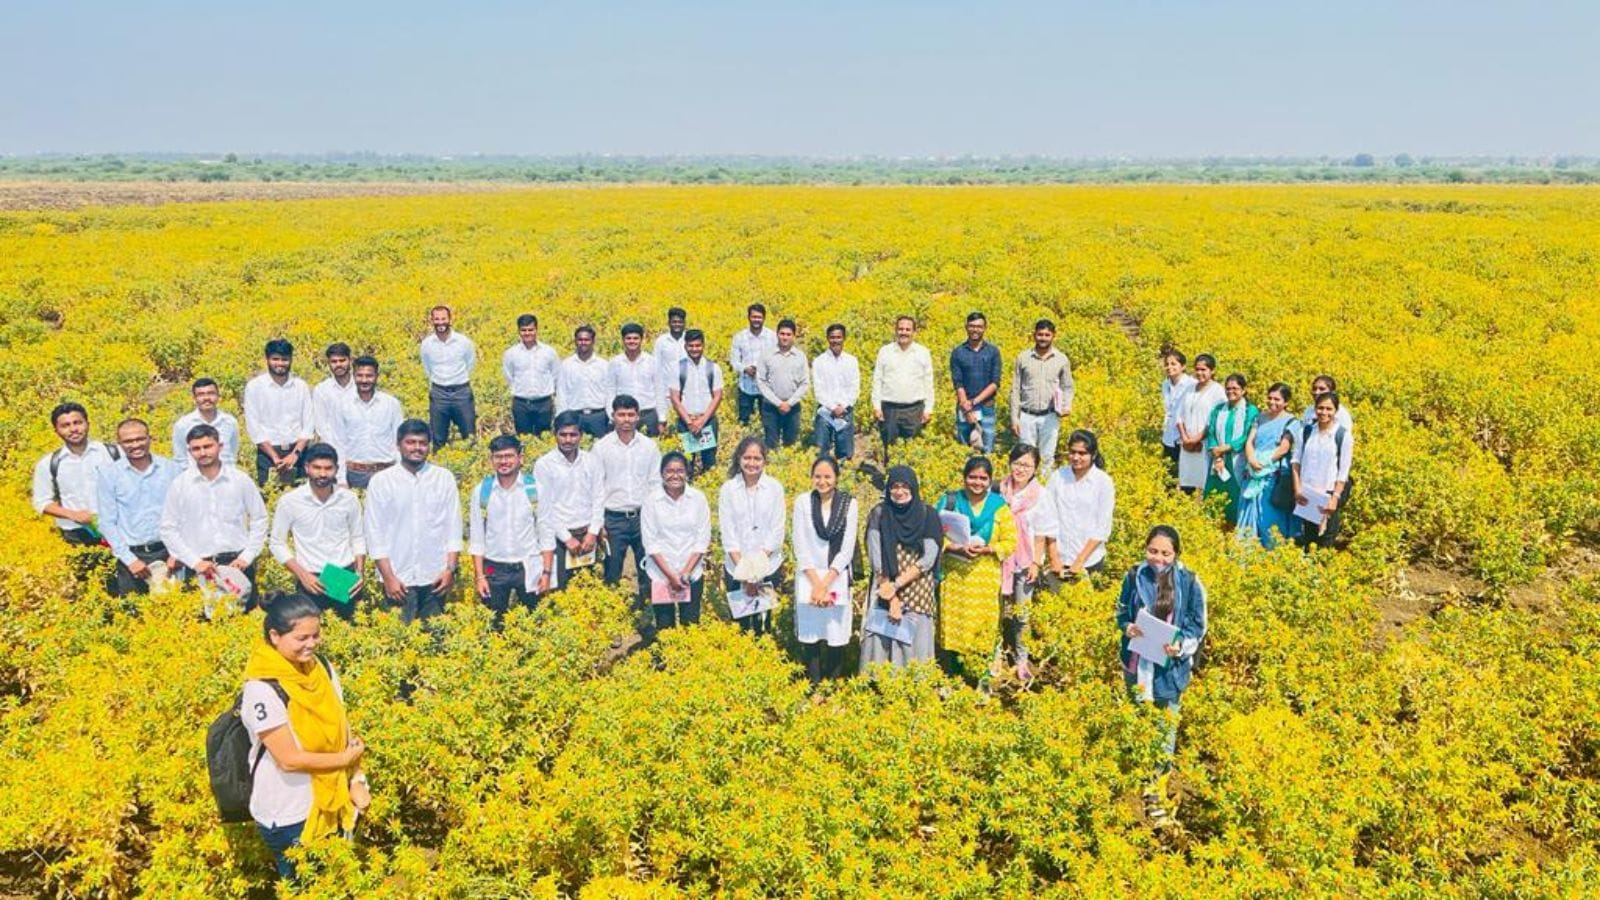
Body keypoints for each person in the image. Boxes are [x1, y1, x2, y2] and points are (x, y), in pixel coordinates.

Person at [240, 594, 368, 881]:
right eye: (301, 638)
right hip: (288, 813)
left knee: (333, 880)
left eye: (316, 635)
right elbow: (288, 760)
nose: (311, 644)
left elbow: (342, 728)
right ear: (275, 636)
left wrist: (356, 778)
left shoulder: (321, 667)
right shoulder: (262, 688)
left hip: (331, 801)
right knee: (303, 886)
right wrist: (345, 760)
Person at [1116, 525, 1207, 824]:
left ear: (1176, 553)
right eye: (1153, 551)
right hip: (1137, 665)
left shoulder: (1190, 582)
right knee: (1140, 721)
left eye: (1165, 553)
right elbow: (1121, 613)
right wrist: (1127, 628)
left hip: (1170, 670)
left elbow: (1198, 625)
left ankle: (1156, 786)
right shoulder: (1134, 575)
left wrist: (1180, 645)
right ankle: (1140, 775)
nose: (1158, 558)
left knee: (1166, 728)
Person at [159, 424, 269, 614]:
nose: (203, 452)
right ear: (189, 451)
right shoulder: (180, 485)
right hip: (199, 567)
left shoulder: (240, 480)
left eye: (208, 446)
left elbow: (260, 519)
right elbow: (168, 529)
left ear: (220, 446)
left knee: (243, 622)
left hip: (237, 565)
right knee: (202, 626)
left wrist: (247, 556)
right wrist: (194, 562)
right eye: (196, 448)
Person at [363, 420, 462, 624]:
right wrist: (388, 577)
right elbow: (374, 533)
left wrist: (450, 570)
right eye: (410, 442)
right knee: (398, 639)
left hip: (436, 577)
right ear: (398, 445)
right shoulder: (381, 481)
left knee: (434, 641)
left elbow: (453, 527)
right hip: (398, 579)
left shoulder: (444, 478)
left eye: (423, 443)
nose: (417, 448)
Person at [936, 456, 1016, 682]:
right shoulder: (949, 501)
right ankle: (954, 676)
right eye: (972, 477)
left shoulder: (999, 506)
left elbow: (1011, 542)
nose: (977, 482)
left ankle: (981, 679)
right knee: (954, 626)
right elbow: (932, 533)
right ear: (964, 478)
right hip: (955, 578)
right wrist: (955, 547)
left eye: (983, 478)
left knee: (983, 628)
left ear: (990, 480)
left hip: (984, 579)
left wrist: (989, 549)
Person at [270, 443, 366, 622]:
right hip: (310, 578)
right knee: (311, 635)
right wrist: (302, 574)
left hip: (343, 576)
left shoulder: (349, 499)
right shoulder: (290, 501)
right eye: (317, 468)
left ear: (337, 469)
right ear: (306, 468)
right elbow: (276, 543)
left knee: (347, 633)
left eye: (328, 468)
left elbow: (358, 537)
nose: (322, 474)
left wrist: (359, 572)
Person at [859, 466, 943, 670]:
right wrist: (891, 596)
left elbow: (929, 557)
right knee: (881, 641)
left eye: (905, 486)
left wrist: (897, 585)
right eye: (895, 486)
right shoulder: (879, 514)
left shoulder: (927, 514)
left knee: (914, 647)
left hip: (917, 588)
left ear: (913, 488)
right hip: (884, 586)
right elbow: (876, 558)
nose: (899, 491)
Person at [469, 435, 555, 627]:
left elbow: (546, 534)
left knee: (534, 622)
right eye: (498, 457)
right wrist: (480, 576)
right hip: (494, 567)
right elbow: (477, 537)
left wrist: (547, 573)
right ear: (491, 460)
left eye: (509, 456)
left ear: (520, 458)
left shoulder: (536, 489)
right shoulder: (481, 491)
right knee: (493, 623)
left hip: (528, 565)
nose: (504, 461)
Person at [792, 456, 859, 685]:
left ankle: (832, 685)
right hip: (808, 577)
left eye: (827, 476)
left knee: (835, 633)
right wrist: (815, 582)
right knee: (811, 634)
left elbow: (847, 548)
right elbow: (799, 544)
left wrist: (826, 582)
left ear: (837, 478)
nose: (822, 481)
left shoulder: (850, 504)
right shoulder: (802, 502)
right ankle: (813, 684)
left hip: (836, 578)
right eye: (817, 476)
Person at [97, 418, 181, 597]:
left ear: (150, 438)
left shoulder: (172, 469)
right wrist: (130, 560)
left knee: (179, 611)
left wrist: (178, 553)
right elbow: (107, 522)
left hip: (170, 553)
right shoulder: (109, 475)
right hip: (132, 558)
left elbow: (184, 515)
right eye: (128, 441)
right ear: (119, 443)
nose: (135, 445)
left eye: (140, 439)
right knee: (135, 615)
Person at [593, 394, 662, 607]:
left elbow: (655, 484)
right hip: (613, 519)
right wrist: (598, 523)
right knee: (612, 570)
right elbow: (595, 488)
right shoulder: (601, 447)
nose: (626, 419)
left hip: (643, 517)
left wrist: (656, 520)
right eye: (621, 414)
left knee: (648, 569)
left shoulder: (649, 447)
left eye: (630, 414)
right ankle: (614, 620)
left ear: (638, 417)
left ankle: (646, 615)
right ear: (612, 416)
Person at [718, 436, 786, 636]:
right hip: (736, 567)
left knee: (764, 625)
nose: (752, 463)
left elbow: (776, 531)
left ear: (765, 461)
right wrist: (746, 573)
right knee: (741, 625)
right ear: (739, 458)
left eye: (757, 458)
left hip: (768, 566)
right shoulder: (728, 490)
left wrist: (756, 571)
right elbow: (728, 534)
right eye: (747, 457)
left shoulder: (775, 488)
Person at [31, 402, 121, 546]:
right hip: (77, 534)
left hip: (119, 527)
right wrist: (74, 515)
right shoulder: (49, 464)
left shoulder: (113, 453)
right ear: (56, 431)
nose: (73, 429)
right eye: (65, 425)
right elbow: (42, 502)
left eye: (77, 422)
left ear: (87, 424)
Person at [533, 411, 606, 588]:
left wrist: (593, 532)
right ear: (555, 435)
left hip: (588, 537)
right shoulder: (544, 465)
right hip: (559, 539)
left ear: (581, 435)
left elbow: (599, 497)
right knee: (561, 590)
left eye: (573, 435)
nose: (568, 440)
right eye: (563, 435)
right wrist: (567, 538)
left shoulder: (592, 461)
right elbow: (544, 508)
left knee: (590, 589)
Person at [641, 451, 712, 631]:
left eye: (680, 471)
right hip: (660, 574)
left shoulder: (698, 498)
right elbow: (651, 542)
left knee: (691, 624)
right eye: (669, 471)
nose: (675, 475)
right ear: (661, 473)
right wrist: (671, 576)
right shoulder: (651, 501)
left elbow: (702, 539)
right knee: (665, 626)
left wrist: (685, 572)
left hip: (692, 573)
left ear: (687, 473)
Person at [995, 444, 1047, 683]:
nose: (1021, 469)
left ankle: (1022, 659)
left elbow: (1042, 532)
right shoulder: (998, 490)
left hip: (1025, 562)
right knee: (996, 609)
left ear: (1035, 468)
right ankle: (995, 655)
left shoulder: (1040, 495)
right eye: (1017, 463)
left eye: (1027, 465)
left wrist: (1036, 562)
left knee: (1022, 613)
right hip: (998, 557)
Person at [1040, 430, 1115, 583]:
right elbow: (1047, 518)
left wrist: (1080, 561)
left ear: (1093, 455)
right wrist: (1054, 557)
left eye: (1082, 453)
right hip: (1060, 560)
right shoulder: (1058, 477)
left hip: (1089, 560)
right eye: (1072, 452)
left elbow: (1103, 527)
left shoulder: (1103, 482)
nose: (1076, 457)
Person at [243, 339, 313, 487]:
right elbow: (254, 428)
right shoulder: (255, 387)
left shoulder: (301, 387)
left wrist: (294, 455)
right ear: (267, 359)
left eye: (284, 359)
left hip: (298, 454)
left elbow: (308, 425)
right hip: (268, 455)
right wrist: (275, 458)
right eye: (275, 359)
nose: (280, 363)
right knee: (271, 498)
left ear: (291, 360)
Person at [1238, 382, 1299, 548]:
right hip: (1252, 471)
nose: (1272, 402)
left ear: (1286, 402)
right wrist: (1251, 459)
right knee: (1248, 511)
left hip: (1273, 474)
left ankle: (1273, 549)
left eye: (1277, 399)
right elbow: (1250, 441)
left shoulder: (1291, 422)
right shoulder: (1260, 417)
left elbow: (1284, 448)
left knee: (1270, 514)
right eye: (1270, 398)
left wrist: (1263, 464)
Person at [328, 356, 403, 490]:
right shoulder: (341, 404)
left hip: (386, 471)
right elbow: (338, 443)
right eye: (359, 376)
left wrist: (399, 473)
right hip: (354, 474)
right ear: (353, 376)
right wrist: (341, 478)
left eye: (369, 376)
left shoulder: (391, 404)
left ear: (377, 376)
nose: (364, 380)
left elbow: (398, 441)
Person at [1292, 391, 1355, 550]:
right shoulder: (1305, 432)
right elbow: (1296, 462)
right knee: (1309, 536)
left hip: (1328, 493)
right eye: (1320, 408)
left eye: (1329, 409)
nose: (1324, 413)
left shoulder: (1342, 435)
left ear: (1336, 411)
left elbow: (1343, 471)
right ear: (1315, 409)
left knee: (1328, 537)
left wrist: (1335, 497)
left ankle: (1323, 570)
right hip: (1308, 492)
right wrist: (1297, 489)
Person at [1010, 319, 1075, 467]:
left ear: (1053, 336)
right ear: (1034, 335)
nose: (1043, 338)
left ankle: (1045, 488)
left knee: (1047, 457)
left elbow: (1067, 386)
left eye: (1047, 335)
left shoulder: (1061, 359)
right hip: (1027, 416)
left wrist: (1066, 405)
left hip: (1050, 416)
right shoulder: (1023, 358)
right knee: (1026, 458)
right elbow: (1015, 390)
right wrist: (1015, 418)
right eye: (1040, 334)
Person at [871, 316, 935, 453]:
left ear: (914, 332)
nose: (904, 332)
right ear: (895, 331)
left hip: (915, 410)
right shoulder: (885, 351)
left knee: (912, 451)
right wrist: (876, 406)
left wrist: (928, 409)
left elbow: (928, 382)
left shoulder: (923, 352)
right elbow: (877, 380)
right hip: (889, 410)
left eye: (907, 329)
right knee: (890, 450)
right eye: (900, 329)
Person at [1204, 374, 1258, 528]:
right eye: (1228, 388)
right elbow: (1212, 432)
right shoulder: (1218, 409)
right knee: (1215, 493)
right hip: (1218, 460)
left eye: (1235, 388)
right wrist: (1217, 455)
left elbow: (1246, 435)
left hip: (1237, 459)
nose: (1231, 392)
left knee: (1235, 494)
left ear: (1243, 390)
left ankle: (1234, 530)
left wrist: (1227, 447)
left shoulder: (1250, 410)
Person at [668, 329, 725, 476]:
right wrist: (689, 422)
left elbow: (717, 396)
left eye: (698, 345)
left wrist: (702, 421)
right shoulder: (678, 368)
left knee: (709, 460)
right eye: (691, 346)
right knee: (686, 462)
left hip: (707, 420)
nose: (694, 349)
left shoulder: (713, 368)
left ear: (703, 345)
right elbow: (675, 397)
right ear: (685, 346)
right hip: (686, 421)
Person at [418, 305, 477, 446]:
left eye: (443, 318)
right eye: (436, 319)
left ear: (450, 319)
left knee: (469, 436)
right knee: (438, 438)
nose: (440, 322)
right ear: (431, 320)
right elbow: (427, 367)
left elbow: (470, 363)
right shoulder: (427, 344)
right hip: (438, 394)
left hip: (461, 392)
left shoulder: (463, 342)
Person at [502, 313, 560, 438]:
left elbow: (556, 375)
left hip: (544, 403)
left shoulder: (549, 352)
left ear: (536, 330)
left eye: (531, 330)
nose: (527, 333)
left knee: (544, 438)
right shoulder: (511, 354)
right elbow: (509, 376)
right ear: (518, 331)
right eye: (524, 330)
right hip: (521, 404)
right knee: (522, 439)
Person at [950, 312, 1001, 453]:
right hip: (964, 406)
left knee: (987, 448)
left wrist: (973, 403)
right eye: (972, 326)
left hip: (986, 407)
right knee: (964, 447)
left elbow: (995, 382)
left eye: (979, 326)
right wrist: (966, 406)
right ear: (966, 327)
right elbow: (958, 382)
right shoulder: (958, 352)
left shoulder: (993, 352)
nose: (975, 330)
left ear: (985, 328)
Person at [1175, 354, 1225, 495]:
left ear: (1212, 371)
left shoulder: (1218, 391)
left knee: (1203, 480)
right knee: (1186, 481)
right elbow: (1179, 416)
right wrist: (1185, 438)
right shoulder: (1189, 388)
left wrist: (1197, 439)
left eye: (1204, 369)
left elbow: (1216, 420)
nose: (1199, 373)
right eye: (1197, 369)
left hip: (1204, 443)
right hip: (1186, 444)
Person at [757, 318, 810, 449]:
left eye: (788, 334)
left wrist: (789, 403)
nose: (785, 337)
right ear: (777, 334)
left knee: (790, 444)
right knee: (771, 445)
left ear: (794, 336)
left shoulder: (800, 356)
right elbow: (761, 381)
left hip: (793, 407)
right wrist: (779, 403)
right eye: (782, 334)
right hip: (770, 407)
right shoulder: (766, 355)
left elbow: (804, 383)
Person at [811, 323, 860, 460]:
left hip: (846, 411)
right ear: (827, 338)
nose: (835, 340)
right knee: (821, 451)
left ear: (844, 338)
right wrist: (832, 407)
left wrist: (842, 406)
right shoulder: (819, 361)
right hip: (825, 411)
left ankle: (844, 476)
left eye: (839, 337)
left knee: (845, 452)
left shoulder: (851, 361)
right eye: (832, 337)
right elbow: (818, 390)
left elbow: (854, 387)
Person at [172, 378, 241, 469]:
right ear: (194, 398)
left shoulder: (230, 422)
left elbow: (233, 453)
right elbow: (180, 459)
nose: (206, 398)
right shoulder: (183, 425)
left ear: (218, 396)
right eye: (201, 394)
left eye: (211, 393)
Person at [557, 325, 613, 438]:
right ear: (575, 341)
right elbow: (562, 392)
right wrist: (562, 417)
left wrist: (611, 417)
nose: (583, 342)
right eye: (580, 339)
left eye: (587, 339)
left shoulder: (604, 365)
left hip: (598, 416)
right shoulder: (566, 365)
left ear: (593, 341)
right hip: (575, 416)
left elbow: (610, 392)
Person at [610, 323, 663, 437]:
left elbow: (659, 390)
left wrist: (662, 418)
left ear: (642, 340)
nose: (632, 341)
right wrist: (612, 417)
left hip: (648, 415)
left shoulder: (652, 362)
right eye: (628, 338)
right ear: (623, 340)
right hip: (624, 416)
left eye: (635, 338)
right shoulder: (615, 363)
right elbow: (610, 390)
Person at [730, 303, 777, 426]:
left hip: (767, 387)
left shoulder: (772, 337)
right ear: (748, 317)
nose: (756, 320)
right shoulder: (739, 337)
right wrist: (745, 369)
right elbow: (734, 361)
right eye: (754, 317)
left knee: (768, 422)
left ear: (764, 318)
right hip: (746, 386)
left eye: (759, 317)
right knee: (744, 421)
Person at [1159, 349, 1196, 479]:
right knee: (1169, 475)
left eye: (1173, 364)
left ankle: (1186, 499)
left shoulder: (1192, 385)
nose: (1169, 367)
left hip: (1186, 436)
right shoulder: (1165, 384)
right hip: (1169, 435)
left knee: (1187, 476)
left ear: (1183, 366)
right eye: (1167, 364)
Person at [310, 343, 357, 444]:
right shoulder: (322, 390)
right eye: (334, 361)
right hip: (332, 450)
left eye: (342, 360)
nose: (338, 364)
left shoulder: (361, 386)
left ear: (350, 360)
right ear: (328, 363)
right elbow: (321, 426)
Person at [652, 307, 689, 425]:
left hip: (687, 391)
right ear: (669, 323)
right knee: (667, 423)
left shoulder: (690, 339)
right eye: (674, 322)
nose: (677, 325)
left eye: (680, 322)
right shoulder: (661, 341)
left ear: (684, 323)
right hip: (666, 393)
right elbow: (655, 366)